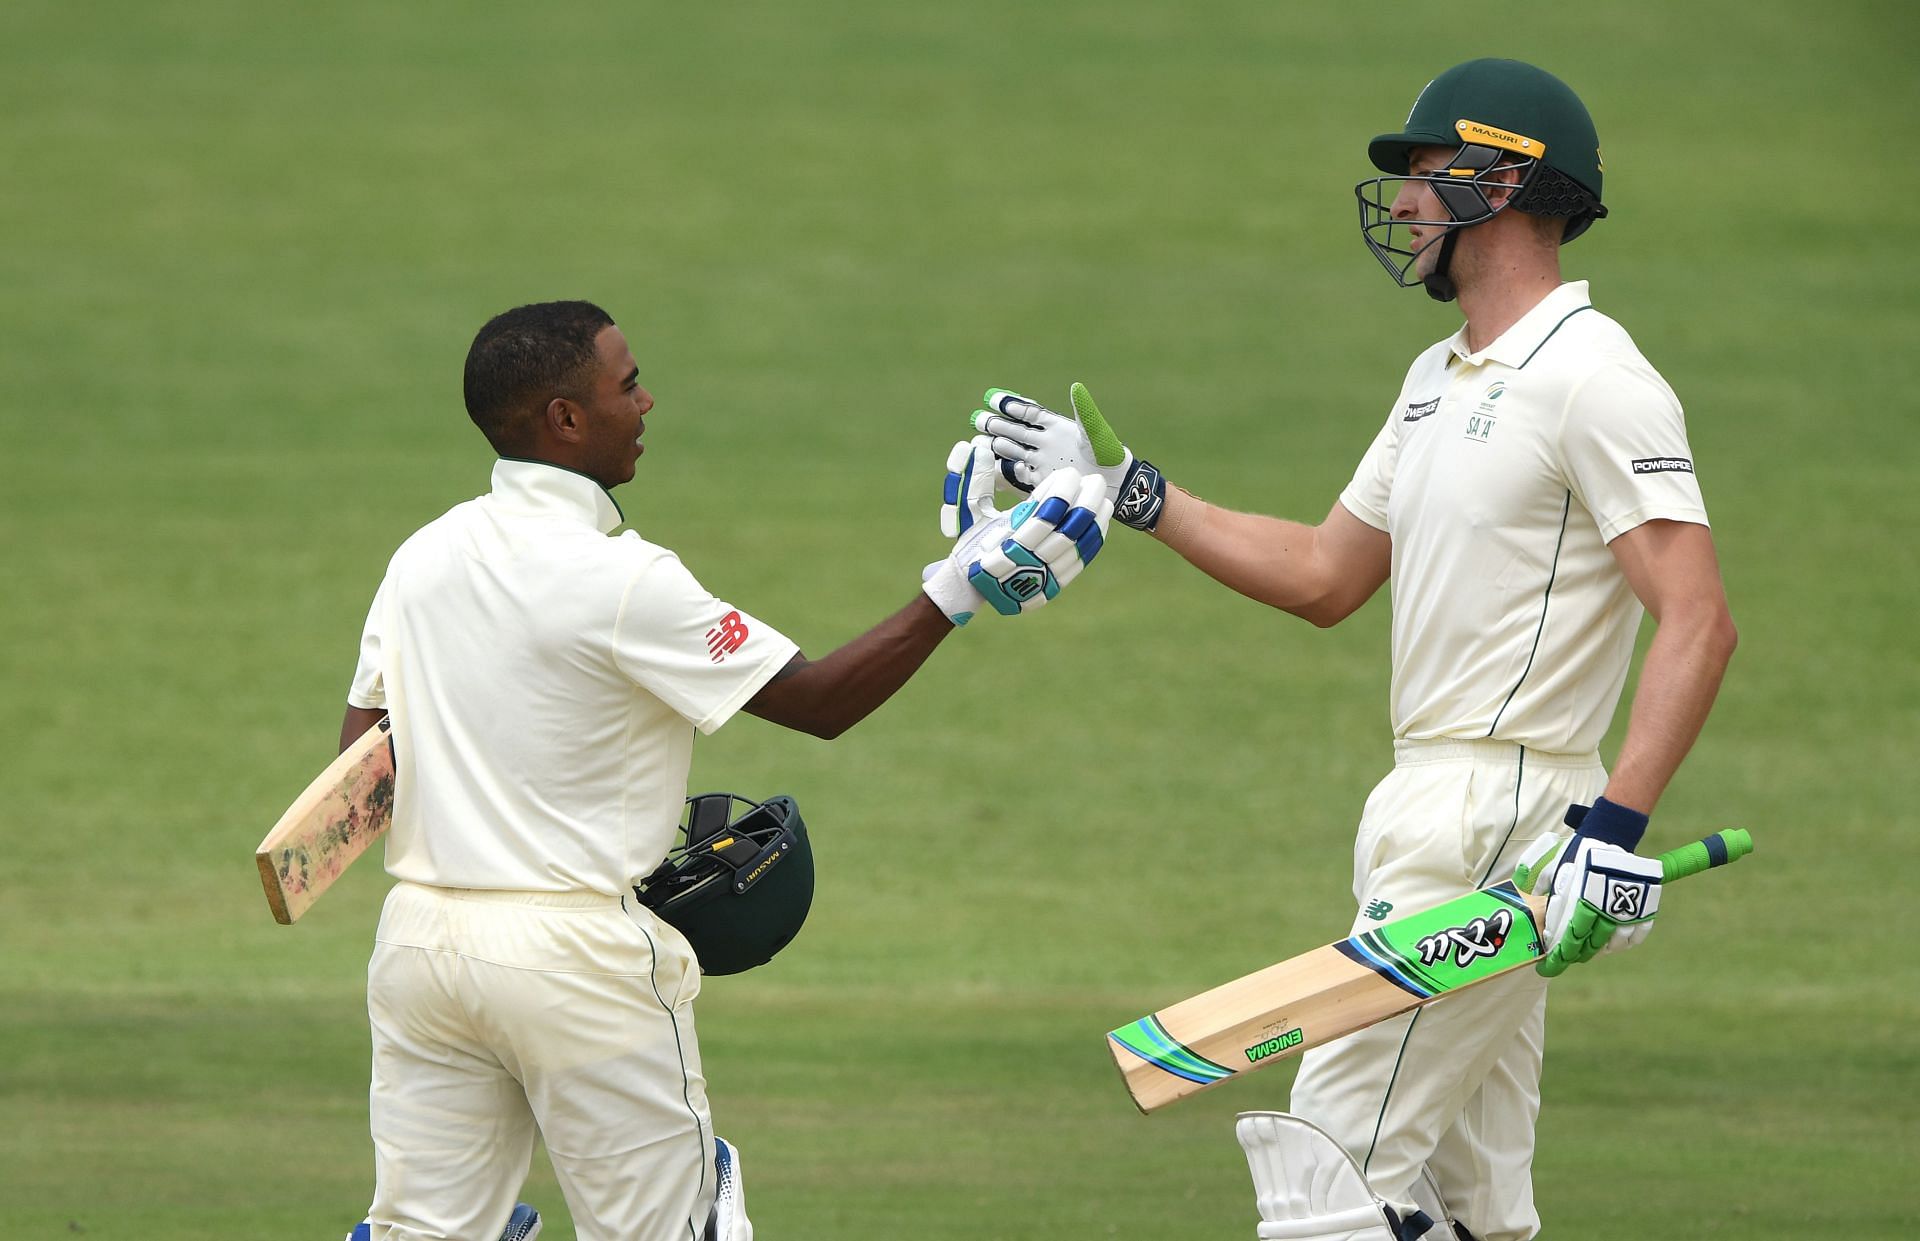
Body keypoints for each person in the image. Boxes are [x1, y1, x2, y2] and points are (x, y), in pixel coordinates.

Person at [972, 59, 1737, 1241]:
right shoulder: (1435, 381)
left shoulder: (1593, 378)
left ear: (1507, 179)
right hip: (1425, 799)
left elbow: (1697, 613)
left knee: (1325, 1168)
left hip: (1508, 814)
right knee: (1476, 1207)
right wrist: (1130, 488)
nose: (1410, 201)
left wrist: (1615, 832)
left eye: (1430, 174)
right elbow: (1327, 574)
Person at [337, 299, 1110, 1241]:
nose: (647, 399)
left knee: (421, 1234)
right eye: (626, 386)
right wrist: (959, 587)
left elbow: (359, 769)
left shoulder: (421, 557)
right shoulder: (625, 579)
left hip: (418, 948)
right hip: (574, 959)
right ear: (564, 419)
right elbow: (819, 703)